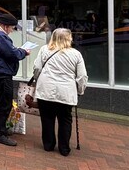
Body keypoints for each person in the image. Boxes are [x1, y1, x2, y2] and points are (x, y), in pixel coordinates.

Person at [33, 28, 88, 156]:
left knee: (47, 118)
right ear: (69, 39)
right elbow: (82, 76)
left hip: (46, 90)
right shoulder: (75, 54)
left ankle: (48, 144)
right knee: (65, 119)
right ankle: (64, 148)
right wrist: (80, 90)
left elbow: (36, 68)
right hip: (66, 92)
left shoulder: (44, 50)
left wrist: (38, 79)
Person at [0, 13, 30, 146]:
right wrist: (23, 52)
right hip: (1, 74)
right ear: (5, 25)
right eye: (12, 28)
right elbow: (12, 54)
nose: (11, 31)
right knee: (4, 104)